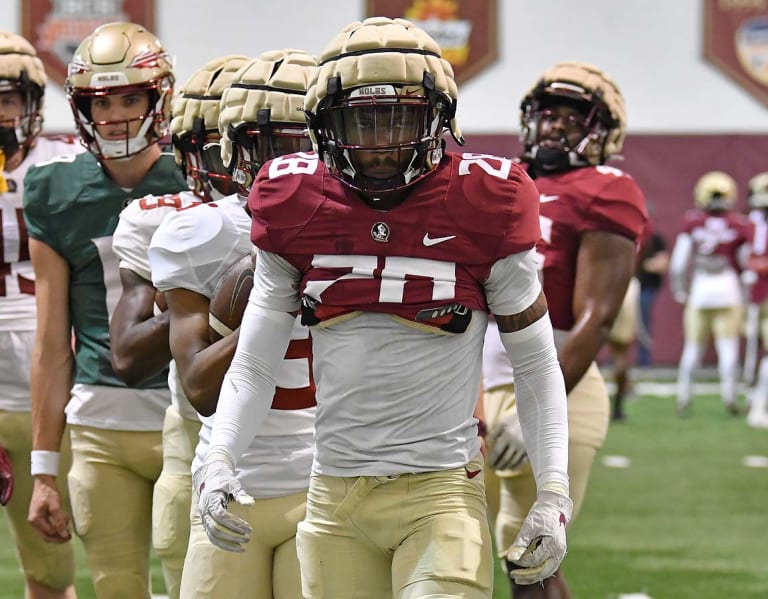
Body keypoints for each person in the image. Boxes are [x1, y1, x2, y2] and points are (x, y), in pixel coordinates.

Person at [194, 17, 572, 599]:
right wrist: (218, 456)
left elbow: (535, 363)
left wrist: (553, 494)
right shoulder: (294, 199)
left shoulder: (486, 201)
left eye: (402, 117)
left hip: (441, 491)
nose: (381, 142)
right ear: (322, 125)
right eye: (361, 120)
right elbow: (256, 361)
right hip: (332, 494)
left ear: (442, 121)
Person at [23, 22, 187, 598]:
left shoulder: (202, 177)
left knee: (203, 585)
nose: (115, 114)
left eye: (130, 97)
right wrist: (43, 467)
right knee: (117, 589)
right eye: (102, 101)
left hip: (190, 418)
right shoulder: (53, 189)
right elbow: (50, 344)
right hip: (100, 424)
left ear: (158, 97)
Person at [148, 49, 318, 598]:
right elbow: (199, 388)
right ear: (233, 147)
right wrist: (273, 302)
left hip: (329, 480)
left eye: (297, 143)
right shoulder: (199, 233)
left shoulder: (370, 230)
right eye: (265, 144)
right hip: (231, 476)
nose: (282, 163)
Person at [482, 61, 647, 598]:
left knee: (529, 554)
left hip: (554, 383)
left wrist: (537, 406)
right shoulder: (501, 181)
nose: (555, 127)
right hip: (473, 385)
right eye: (547, 115)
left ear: (603, 133)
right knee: (445, 536)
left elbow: (596, 317)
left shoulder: (606, 189)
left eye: (572, 119)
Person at [109, 53, 248, 599]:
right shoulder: (166, 220)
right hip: (193, 429)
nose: (229, 160)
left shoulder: (314, 212)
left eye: (237, 141)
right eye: (211, 144)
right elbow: (127, 355)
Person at [0, 31, 83, 599]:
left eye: (5, 98)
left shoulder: (68, 168)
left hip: (40, 393)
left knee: (50, 569)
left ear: (31, 103)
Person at [669, 171, 753, 417]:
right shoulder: (739, 223)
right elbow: (745, 262)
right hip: (728, 288)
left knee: (693, 349)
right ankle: (729, 397)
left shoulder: (693, 221)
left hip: (701, 289)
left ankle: (684, 399)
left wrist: (679, 290)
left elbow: (678, 263)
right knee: (728, 349)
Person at [743, 172, 768, 428]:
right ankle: (755, 401)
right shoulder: (749, 224)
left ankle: (757, 402)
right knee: (754, 349)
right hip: (756, 292)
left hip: (759, 290)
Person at [635, 213, 669, 367]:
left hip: (646, 287)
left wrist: (638, 265)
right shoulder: (631, 236)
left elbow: (661, 264)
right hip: (630, 285)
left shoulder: (655, 240)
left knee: (644, 321)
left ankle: (644, 359)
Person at [606, 277, 641, 420]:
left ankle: (618, 406)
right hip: (627, 290)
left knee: (618, 358)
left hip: (610, 290)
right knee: (622, 358)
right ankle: (618, 407)